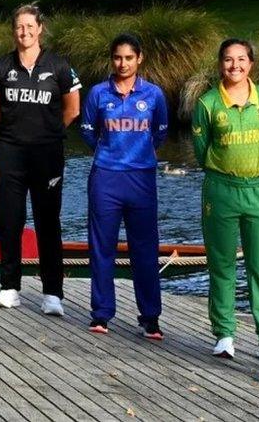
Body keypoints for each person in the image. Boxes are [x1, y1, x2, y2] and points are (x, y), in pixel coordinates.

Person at [0, 4, 81, 315]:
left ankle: (53, 293)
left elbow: (73, 109)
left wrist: (48, 132)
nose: (24, 32)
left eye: (29, 26)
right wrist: (16, 132)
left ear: (40, 28)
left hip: (47, 154)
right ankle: (10, 287)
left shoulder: (60, 66)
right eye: (18, 27)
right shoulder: (0, 67)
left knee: (47, 222)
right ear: (14, 31)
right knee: (10, 221)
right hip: (10, 151)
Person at [192, 38, 259, 359]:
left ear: (251, 63)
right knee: (222, 264)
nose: (235, 66)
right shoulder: (207, 104)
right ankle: (224, 334)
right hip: (221, 190)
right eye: (228, 60)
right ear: (220, 64)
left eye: (241, 59)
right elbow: (203, 154)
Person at [81, 33, 168, 338]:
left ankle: (150, 317)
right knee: (101, 248)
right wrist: (112, 153)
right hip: (106, 176)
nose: (123, 63)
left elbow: (159, 133)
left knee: (144, 250)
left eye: (129, 58)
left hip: (141, 178)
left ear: (139, 58)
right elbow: (89, 134)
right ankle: (102, 314)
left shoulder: (154, 95)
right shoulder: (97, 93)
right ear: (112, 59)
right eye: (118, 57)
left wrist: (138, 154)